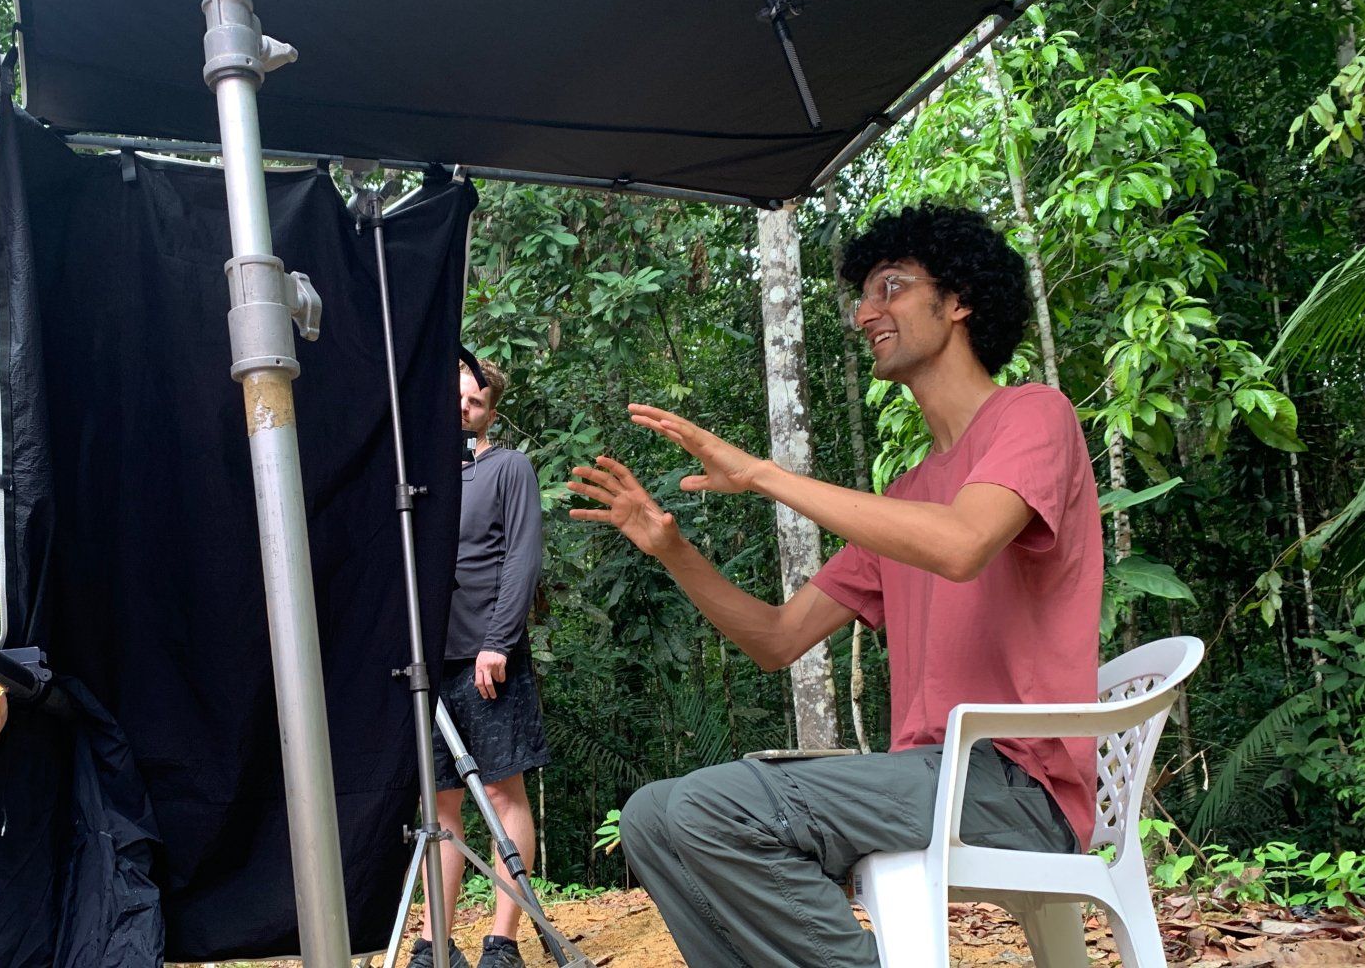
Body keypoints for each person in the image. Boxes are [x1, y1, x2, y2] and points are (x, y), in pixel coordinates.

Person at [567, 205, 1101, 967]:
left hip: (1015, 786)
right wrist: (672, 548)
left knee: (714, 809)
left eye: (892, 288)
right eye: (864, 295)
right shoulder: (910, 492)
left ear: (960, 301)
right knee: (652, 814)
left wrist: (762, 474)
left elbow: (962, 545)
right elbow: (778, 640)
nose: (865, 313)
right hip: (928, 780)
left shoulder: (1033, 416)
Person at [408, 359, 549, 968]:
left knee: (501, 791)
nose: (464, 409)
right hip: (426, 664)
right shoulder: (418, 477)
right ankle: (436, 942)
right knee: (440, 805)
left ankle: (503, 940)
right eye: (456, 398)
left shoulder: (508, 468)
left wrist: (498, 641)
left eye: (477, 402)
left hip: (489, 657)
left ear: (491, 412)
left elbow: (521, 557)